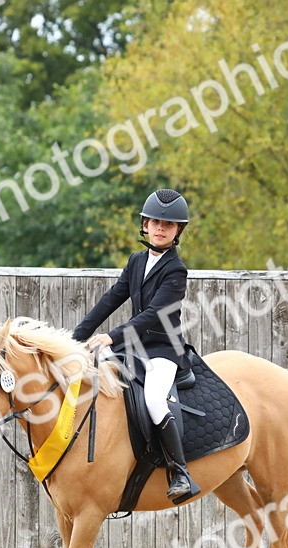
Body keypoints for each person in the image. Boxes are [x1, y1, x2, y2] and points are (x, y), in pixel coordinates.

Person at [72, 189, 201, 504]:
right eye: (156, 222)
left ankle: (179, 471)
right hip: (132, 350)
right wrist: (75, 337)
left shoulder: (175, 269)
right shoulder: (136, 261)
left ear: (177, 231)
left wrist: (112, 336)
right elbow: (111, 299)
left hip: (163, 350)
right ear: (145, 224)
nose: (160, 228)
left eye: (168, 225)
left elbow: (153, 314)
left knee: (155, 399)